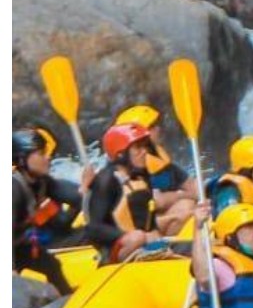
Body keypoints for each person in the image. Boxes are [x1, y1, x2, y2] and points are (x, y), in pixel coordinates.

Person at [12, 127, 93, 293]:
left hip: (20, 244)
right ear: (22, 159)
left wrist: (87, 187)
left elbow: (75, 196)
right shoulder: (13, 189)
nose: (48, 157)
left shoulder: (43, 182)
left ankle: (66, 303)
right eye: (41, 153)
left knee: (51, 265)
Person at [114, 105, 198, 236]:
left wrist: (181, 195)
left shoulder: (159, 161)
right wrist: (181, 195)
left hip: (159, 220)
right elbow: (154, 202)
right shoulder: (124, 168)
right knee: (186, 206)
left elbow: (195, 189)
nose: (158, 129)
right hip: (135, 228)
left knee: (188, 205)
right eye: (151, 127)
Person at [85, 122, 162, 264]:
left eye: (144, 146)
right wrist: (126, 236)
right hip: (114, 249)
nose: (144, 151)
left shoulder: (141, 176)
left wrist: (153, 234)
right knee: (138, 237)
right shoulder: (106, 180)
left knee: (153, 235)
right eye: (138, 148)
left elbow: (149, 215)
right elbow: (93, 228)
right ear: (120, 154)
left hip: (141, 241)